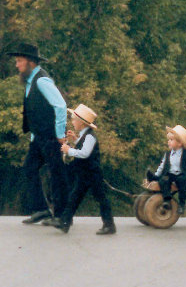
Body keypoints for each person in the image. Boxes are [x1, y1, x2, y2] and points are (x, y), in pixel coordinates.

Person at [7, 43, 70, 225]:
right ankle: (42, 210)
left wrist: (59, 134)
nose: (17, 65)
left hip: (50, 137)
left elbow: (60, 105)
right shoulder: (30, 81)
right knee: (29, 168)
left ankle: (62, 216)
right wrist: (34, 136)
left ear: (31, 63)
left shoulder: (42, 80)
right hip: (39, 138)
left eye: (19, 61)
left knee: (56, 173)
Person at [50, 104, 115, 235]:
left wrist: (69, 151)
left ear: (81, 123)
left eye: (74, 120)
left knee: (100, 198)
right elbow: (83, 146)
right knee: (74, 197)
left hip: (92, 174)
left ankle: (109, 225)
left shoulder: (90, 136)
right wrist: (75, 139)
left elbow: (85, 153)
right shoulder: (85, 135)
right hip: (85, 174)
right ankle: (64, 223)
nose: (72, 122)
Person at [150, 125, 186, 215]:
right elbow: (162, 166)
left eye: (171, 140)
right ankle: (167, 199)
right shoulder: (168, 154)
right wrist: (157, 175)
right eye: (168, 140)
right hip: (170, 174)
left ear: (180, 143)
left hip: (182, 174)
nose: (168, 142)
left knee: (182, 183)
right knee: (164, 180)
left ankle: (181, 204)